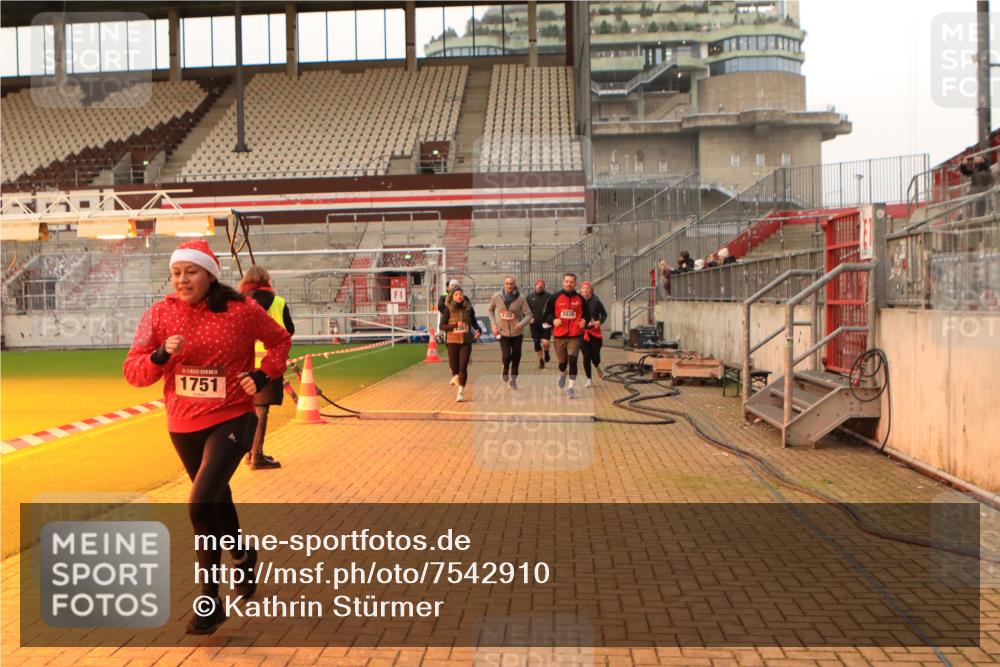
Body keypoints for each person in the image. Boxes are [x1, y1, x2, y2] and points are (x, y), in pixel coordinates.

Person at [123, 239, 291, 635]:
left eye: (191, 272)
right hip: (183, 424)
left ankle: (209, 602)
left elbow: (280, 340)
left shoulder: (241, 310)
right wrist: (160, 356)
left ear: (210, 275)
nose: (182, 280)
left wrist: (263, 375)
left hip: (233, 416)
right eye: (176, 273)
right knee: (216, 499)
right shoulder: (158, 315)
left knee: (200, 504)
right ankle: (243, 555)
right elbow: (133, 372)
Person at [239, 265, 295, 471]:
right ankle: (257, 455)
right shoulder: (278, 302)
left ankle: (248, 452)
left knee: (247, 410)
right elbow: (289, 330)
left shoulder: (239, 302)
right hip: (268, 364)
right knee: (261, 409)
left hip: (243, 364)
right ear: (267, 280)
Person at [543, 272, 591, 399]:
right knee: (562, 363)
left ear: (575, 283)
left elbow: (587, 313)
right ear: (563, 282)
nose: (569, 284)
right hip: (559, 335)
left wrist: (584, 320)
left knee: (572, 360)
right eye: (567, 281)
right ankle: (563, 373)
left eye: (571, 282)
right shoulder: (555, 297)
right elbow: (546, 314)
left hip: (575, 335)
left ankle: (571, 388)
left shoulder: (580, 299)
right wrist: (553, 320)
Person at [487, 275, 532, 389]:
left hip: (517, 333)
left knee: (516, 356)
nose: (509, 286)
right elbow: (490, 310)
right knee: (506, 355)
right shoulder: (497, 296)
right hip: (503, 332)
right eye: (507, 283)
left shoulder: (520, 298)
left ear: (515, 284)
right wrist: (494, 324)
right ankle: (505, 368)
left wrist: (521, 324)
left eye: (511, 283)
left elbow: (529, 315)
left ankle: (513, 380)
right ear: (504, 284)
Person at [439, 285, 482, 401]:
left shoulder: (469, 308)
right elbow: (442, 326)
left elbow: (474, 322)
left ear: (463, 295)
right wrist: (454, 325)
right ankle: (455, 376)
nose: (459, 296)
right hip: (452, 341)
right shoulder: (448, 309)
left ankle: (461, 392)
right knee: (454, 367)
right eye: (456, 294)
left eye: (460, 294)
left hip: (466, 341)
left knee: (463, 366)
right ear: (452, 296)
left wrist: (479, 330)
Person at [579, 281, 607, 388]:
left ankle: (597, 365)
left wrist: (599, 321)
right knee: (586, 357)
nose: (585, 290)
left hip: (595, 332)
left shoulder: (596, 301)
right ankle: (588, 379)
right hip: (582, 332)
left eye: (588, 288)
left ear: (591, 290)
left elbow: (604, 314)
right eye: (583, 288)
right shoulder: (577, 301)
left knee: (595, 357)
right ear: (581, 290)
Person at [526, 279, 553, 369]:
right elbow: (525, 310)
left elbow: (553, 309)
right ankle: (541, 361)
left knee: (545, 342)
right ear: (535, 286)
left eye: (541, 285)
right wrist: (529, 319)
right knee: (536, 343)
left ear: (544, 287)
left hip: (546, 323)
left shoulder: (549, 296)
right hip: (534, 324)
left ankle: (546, 352)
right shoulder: (530, 297)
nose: (539, 287)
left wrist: (552, 319)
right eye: (538, 285)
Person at [437, 278, 460, 383]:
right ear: (448, 287)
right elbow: (440, 306)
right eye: (452, 285)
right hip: (449, 325)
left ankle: (458, 370)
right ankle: (454, 372)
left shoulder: (461, 296)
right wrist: (448, 314)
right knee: (451, 350)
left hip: (460, 326)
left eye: (456, 285)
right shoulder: (444, 295)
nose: (454, 287)